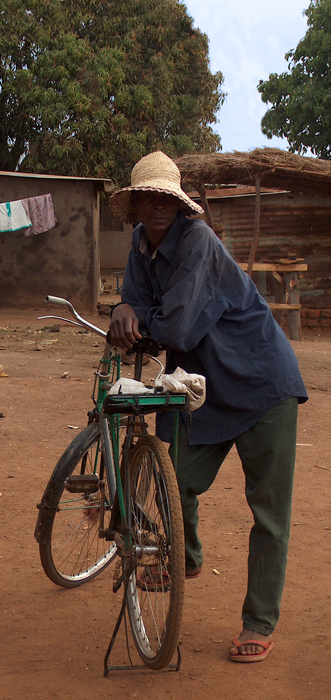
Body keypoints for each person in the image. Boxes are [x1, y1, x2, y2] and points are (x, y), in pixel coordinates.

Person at [108, 151, 308, 663]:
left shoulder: (198, 243)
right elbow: (132, 300)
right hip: (202, 386)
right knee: (174, 475)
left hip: (263, 385)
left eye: (165, 198)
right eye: (147, 197)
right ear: (134, 204)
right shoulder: (139, 245)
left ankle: (259, 622)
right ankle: (187, 556)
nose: (156, 207)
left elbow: (175, 328)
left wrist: (134, 314)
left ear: (179, 204)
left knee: (268, 514)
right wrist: (121, 306)